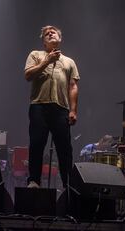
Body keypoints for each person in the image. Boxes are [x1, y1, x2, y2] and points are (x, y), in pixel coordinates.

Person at [24, 25, 80, 188]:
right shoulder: (36, 54)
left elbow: (73, 86)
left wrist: (73, 110)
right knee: (36, 144)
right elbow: (28, 75)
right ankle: (34, 181)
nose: (50, 34)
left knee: (64, 148)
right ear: (43, 42)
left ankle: (68, 185)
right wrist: (47, 61)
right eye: (46, 34)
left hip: (61, 108)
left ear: (59, 39)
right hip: (39, 106)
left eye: (53, 32)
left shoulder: (69, 61)